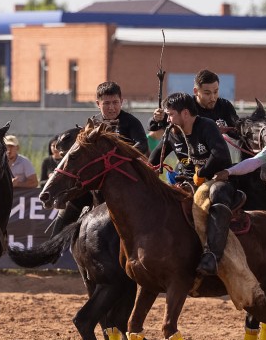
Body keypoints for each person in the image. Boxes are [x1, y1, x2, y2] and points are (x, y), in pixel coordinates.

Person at [149, 92, 233, 276]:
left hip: (216, 181)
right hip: (185, 183)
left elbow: (221, 155)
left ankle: (212, 256)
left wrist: (202, 174)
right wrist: (148, 171)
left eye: (170, 114)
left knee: (217, 194)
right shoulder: (172, 132)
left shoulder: (206, 126)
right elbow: (155, 158)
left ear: (185, 113)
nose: (168, 119)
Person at [149, 69, 239, 142]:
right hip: (189, 156)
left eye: (215, 92)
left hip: (216, 153)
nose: (213, 98)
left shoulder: (224, 106)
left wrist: (227, 129)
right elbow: (155, 127)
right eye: (207, 93)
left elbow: (238, 133)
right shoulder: (185, 105)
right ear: (196, 91)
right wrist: (157, 118)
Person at [94, 81, 149, 155]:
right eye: (106, 103)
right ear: (98, 104)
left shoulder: (131, 121)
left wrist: (121, 156)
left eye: (115, 102)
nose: (111, 107)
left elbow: (142, 144)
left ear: (121, 102)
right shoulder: (94, 123)